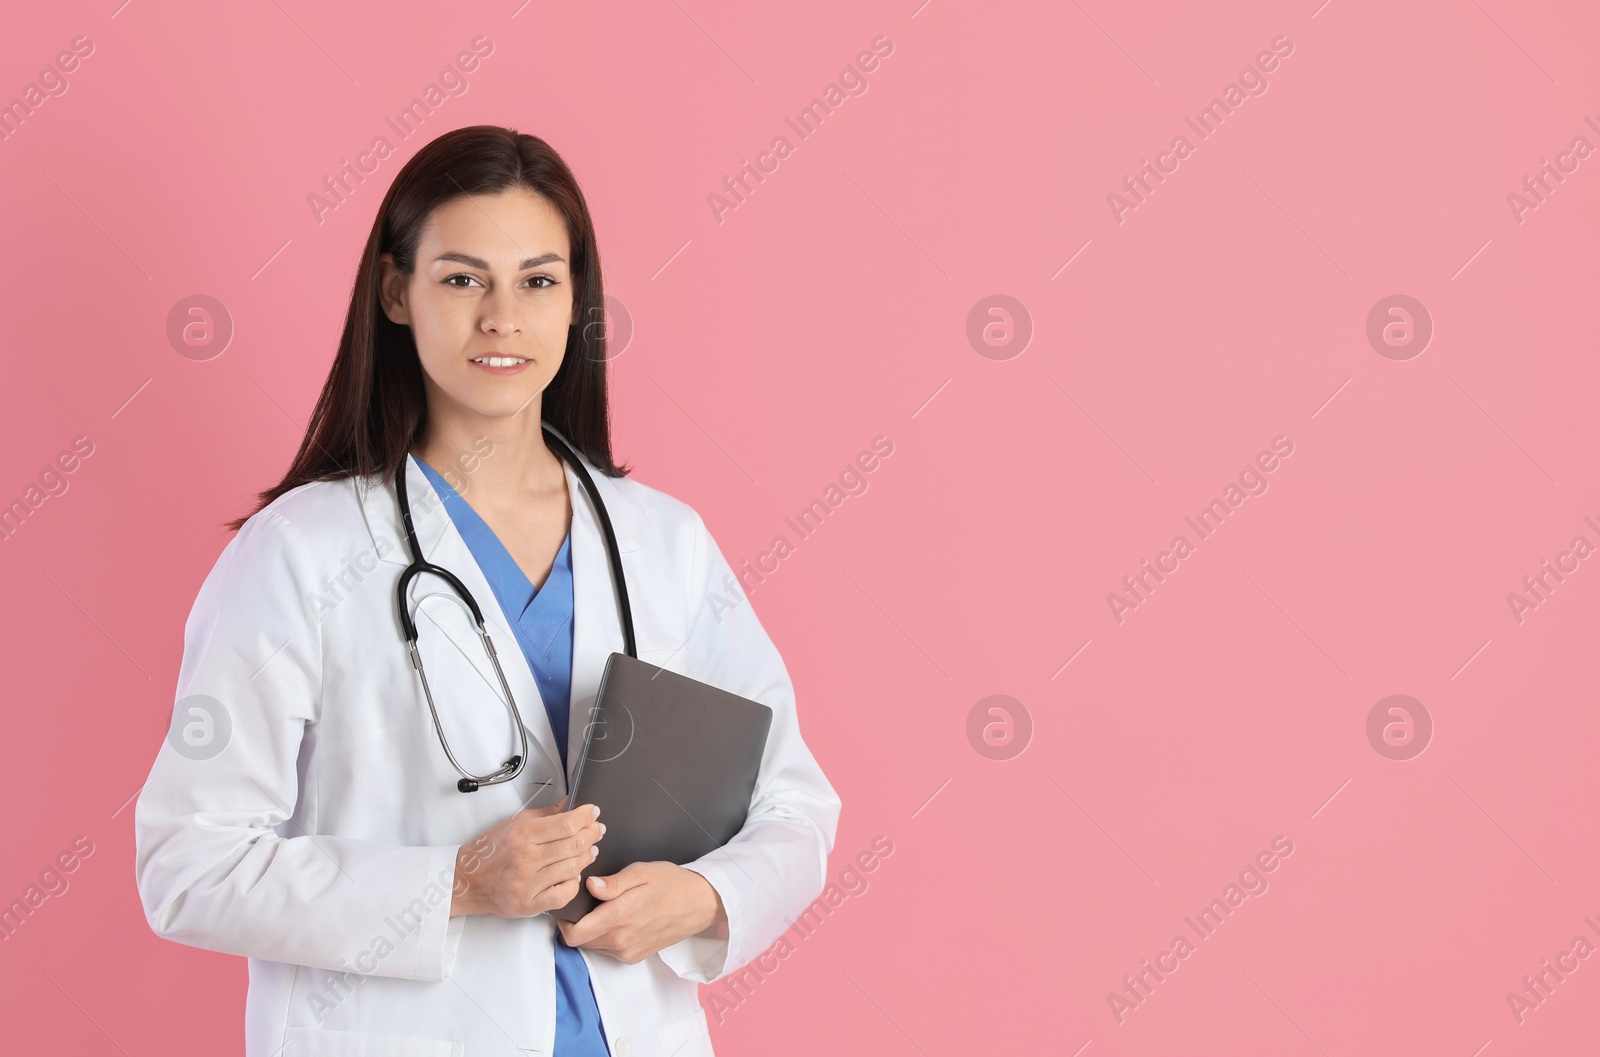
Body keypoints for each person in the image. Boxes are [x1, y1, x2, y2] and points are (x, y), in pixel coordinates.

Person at [133, 125, 840, 1057]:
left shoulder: (664, 543)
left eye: (539, 280)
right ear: (396, 292)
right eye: (464, 278)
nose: (503, 316)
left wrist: (707, 896)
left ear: (577, 301)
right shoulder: (300, 553)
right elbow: (189, 864)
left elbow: (794, 807)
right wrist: (456, 882)